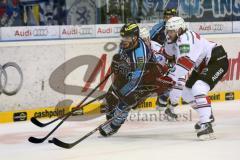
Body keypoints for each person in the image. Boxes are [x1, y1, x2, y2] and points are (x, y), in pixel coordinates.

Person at [99, 23, 173, 137]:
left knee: (126, 100)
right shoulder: (126, 44)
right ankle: (112, 117)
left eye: (127, 38)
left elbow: (135, 81)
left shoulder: (140, 55)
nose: (124, 40)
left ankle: (114, 126)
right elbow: (121, 58)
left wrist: (123, 93)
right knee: (111, 97)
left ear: (135, 37)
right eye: (123, 37)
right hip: (133, 73)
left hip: (146, 80)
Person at [160, 17, 228, 140]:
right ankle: (208, 116)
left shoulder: (185, 38)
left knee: (198, 88)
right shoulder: (175, 40)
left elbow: (185, 63)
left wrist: (168, 77)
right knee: (186, 92)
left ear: (179, 30)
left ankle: (206, 125)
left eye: (171, 31)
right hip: (201, 64)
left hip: (216, 59)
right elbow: (168, 57)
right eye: (167, 31)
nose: (168, 34)